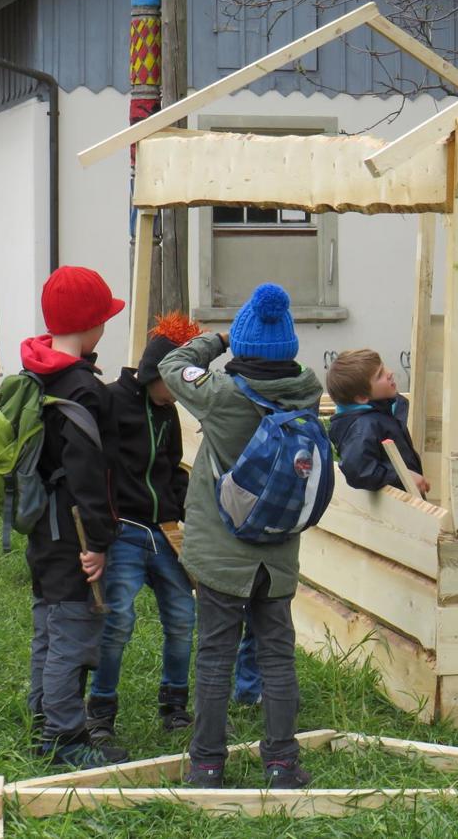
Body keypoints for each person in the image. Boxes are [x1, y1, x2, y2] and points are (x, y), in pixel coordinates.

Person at [159, 283, 323, 790]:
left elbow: (171, 364)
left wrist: (221, 338)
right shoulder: (307, 391)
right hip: (277, 555)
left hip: (221, 554)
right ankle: (282, 763)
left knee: (215, 657)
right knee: (277, 656)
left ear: (246, 342)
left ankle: (207, 764)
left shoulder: (221, 396)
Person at [21, 265, 129, 769]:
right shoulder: (83, 389)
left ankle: (42, 717)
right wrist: (99, 542)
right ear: (92, 325)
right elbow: (91, 475)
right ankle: (63, 738)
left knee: (49, 623)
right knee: (73, 632)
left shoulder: (37, 371)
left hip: (41, 523)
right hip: (74, 531)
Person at [86, 313, 198, 744]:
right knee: (118, 619)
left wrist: (186, 508)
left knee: (182, 616)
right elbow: (95, 467)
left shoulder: (168, 414)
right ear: (156, 373)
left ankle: (175, 706)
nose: (181, 394)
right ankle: (101, 710)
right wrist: (103, 524)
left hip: (165, 530)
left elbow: (171, 467)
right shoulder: (111, 402)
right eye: (177, 383)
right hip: (125, 531)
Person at [326, 348, 429, 494]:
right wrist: (403, 477)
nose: (389, 373)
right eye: (380, 375)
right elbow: (360, 470)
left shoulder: (382, 411)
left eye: (383, 367)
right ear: (362, 397)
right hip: (394, 504)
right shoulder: (363, 427)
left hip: (406, 498)